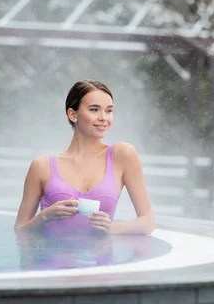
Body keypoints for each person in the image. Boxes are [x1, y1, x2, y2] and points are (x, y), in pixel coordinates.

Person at [14, 80, 155, 235]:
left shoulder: (122, 155)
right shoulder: (42, 166)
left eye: (109, 111)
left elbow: (147, 222)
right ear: (72, 114)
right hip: (52, 257)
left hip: (100, 258)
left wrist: (110, 229)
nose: (103, 118)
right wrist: (45, 216)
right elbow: (20, 230)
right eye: (94, 110)